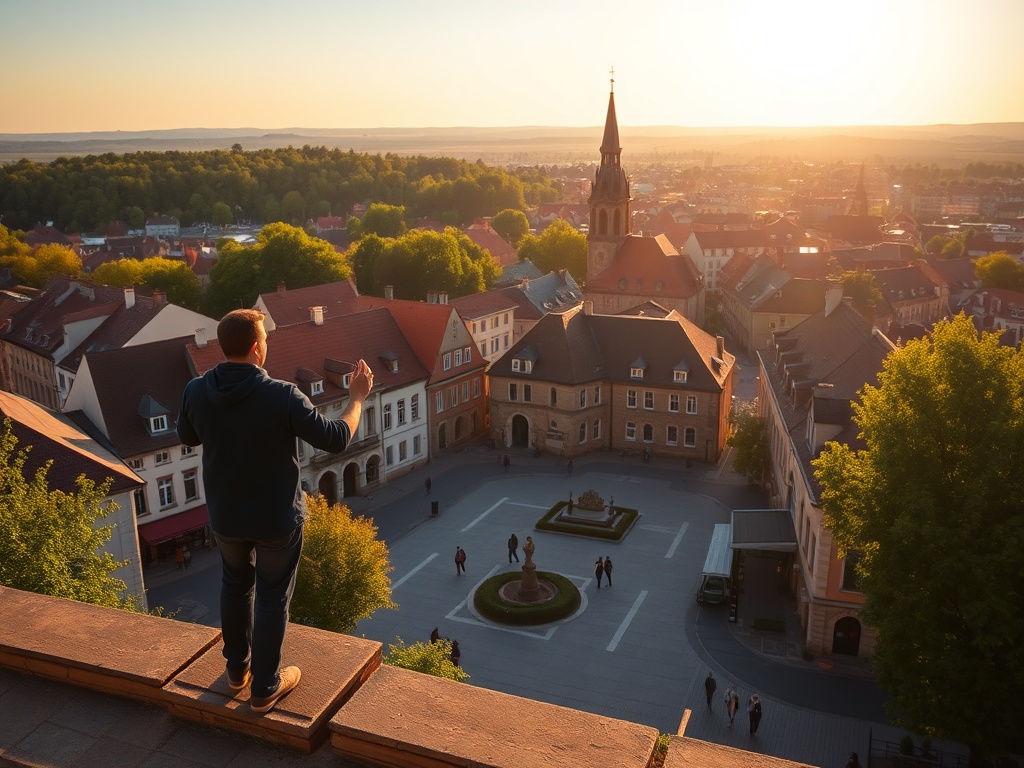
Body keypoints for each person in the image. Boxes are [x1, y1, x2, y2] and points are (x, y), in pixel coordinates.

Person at [177, 309, 373, 714]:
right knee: (271, 596)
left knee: (234, 583)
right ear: (255, 348)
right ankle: (265, 687)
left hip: (226, 516)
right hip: (275, 519)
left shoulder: (196, 390)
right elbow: (336, 439)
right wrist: (356, 398)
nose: (267, 345)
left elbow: (187, 434)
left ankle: (237, 671)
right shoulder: (281, 395)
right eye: (265, 339)